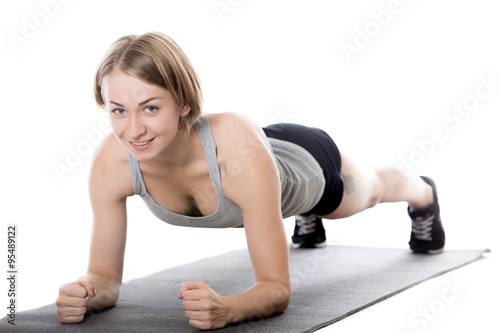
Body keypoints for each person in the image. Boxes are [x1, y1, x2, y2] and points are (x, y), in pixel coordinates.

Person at [56, 32, 445, 330]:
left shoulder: (234, 143)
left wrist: (228, 309)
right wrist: (87, 293)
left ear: (184, 103)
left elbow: (276, 288)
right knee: (268, 200)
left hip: (305, 161)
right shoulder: (111, 163)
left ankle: (423, 191)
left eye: (151, 108)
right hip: (258, 159)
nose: (134, 129)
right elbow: (106, 277)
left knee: (370, 191)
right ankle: (292, 216)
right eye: (119, 110)